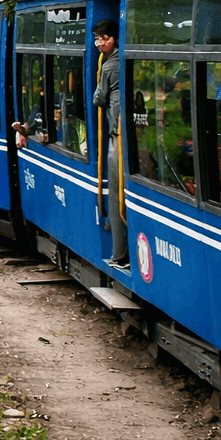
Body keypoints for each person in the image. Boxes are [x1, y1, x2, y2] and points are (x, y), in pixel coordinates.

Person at [92, 19, 129, 269]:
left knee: (116, 193)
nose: (99, 43)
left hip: (117, 134)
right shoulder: (121, 59)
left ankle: (119, 254)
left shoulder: (108, 66)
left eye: (103, 39)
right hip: (123, 129)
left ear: (113, 39)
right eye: (97, 39)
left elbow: (99, 98)